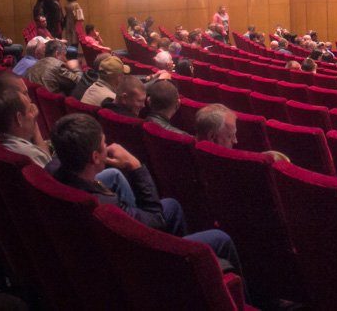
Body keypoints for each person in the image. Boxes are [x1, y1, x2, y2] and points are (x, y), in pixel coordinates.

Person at [50, 114, 244, 276]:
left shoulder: (54, 169)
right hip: (143, 261)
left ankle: (186, 271)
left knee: (171, 205)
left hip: (110, 243)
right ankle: (182, 261)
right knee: (220, 239)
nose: (107, 145)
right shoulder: (106, 207)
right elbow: (155, 218)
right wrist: (136, 166)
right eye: (104, 143)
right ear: (95, 157)